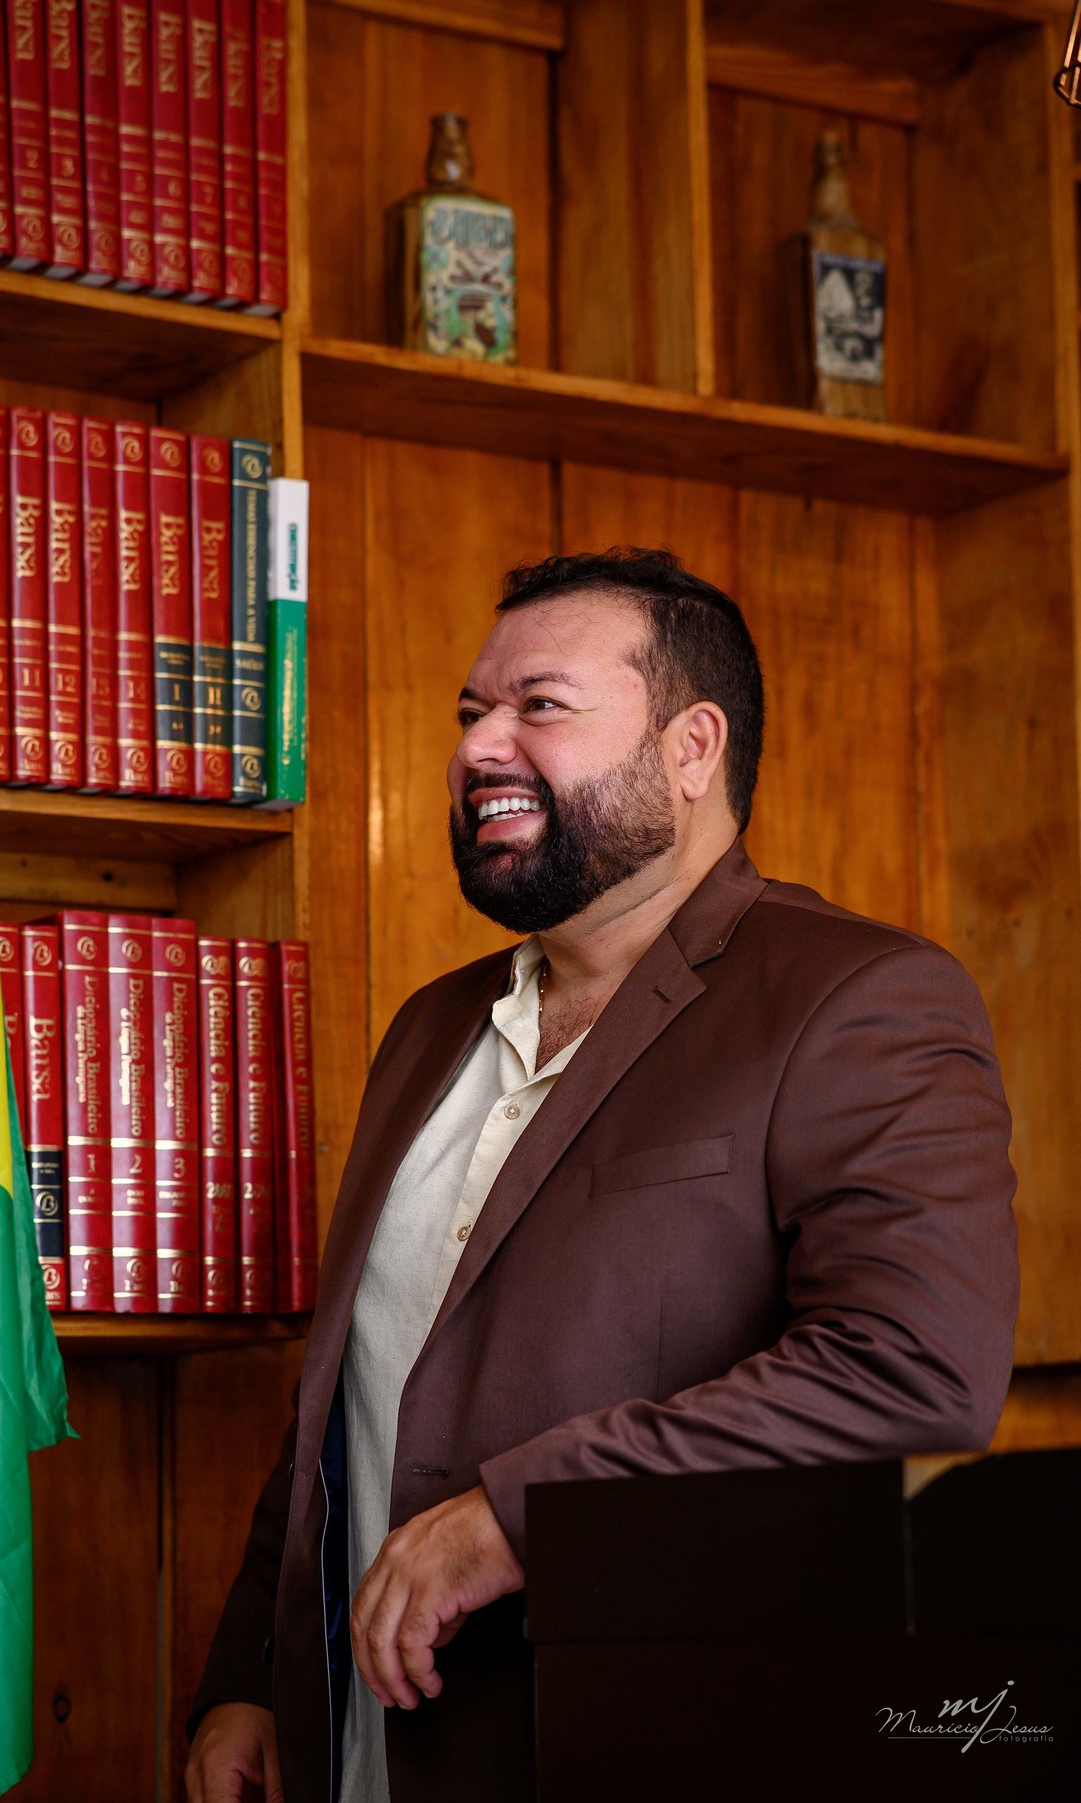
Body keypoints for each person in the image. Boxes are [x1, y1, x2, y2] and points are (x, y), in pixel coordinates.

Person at [185, 548, 1019, 1803]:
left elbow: (912, 1374)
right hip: (351, 1758)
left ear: (692, 749)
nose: (480, 746)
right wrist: (253, 1676)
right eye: (471, 712)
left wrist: (520, 1516)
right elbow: (354, 1393)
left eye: (540, 704)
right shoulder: (428, 1029)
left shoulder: (861, 999)